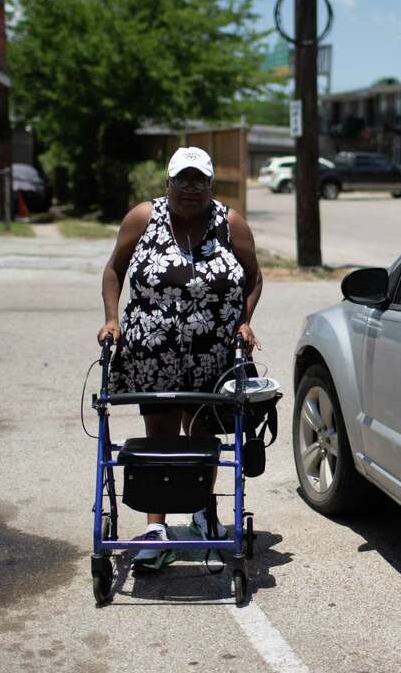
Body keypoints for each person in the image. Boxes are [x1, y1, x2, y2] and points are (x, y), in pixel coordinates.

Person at [97, 147, 263, 573]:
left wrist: (245, 321)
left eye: (199, 180)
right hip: (153, 352)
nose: (190, 188)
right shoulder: (143, 217)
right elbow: (115, 268)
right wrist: (112, 319)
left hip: (214, 352)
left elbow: (253, 275)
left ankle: (203, 512)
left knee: (204, 434)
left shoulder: (229, 223)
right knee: (161, 435)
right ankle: (157, 530)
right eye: (182, 180)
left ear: (210, 185)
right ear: (168, 183)